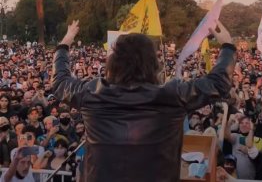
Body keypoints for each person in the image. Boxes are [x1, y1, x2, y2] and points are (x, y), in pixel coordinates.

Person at [51, 20, 236, 182]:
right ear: (152, 64)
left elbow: (60, 82)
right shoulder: (173, 95)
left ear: (113, 63)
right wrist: (227, 46)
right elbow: (218, 83)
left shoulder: (91, 93)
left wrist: (65, 43)